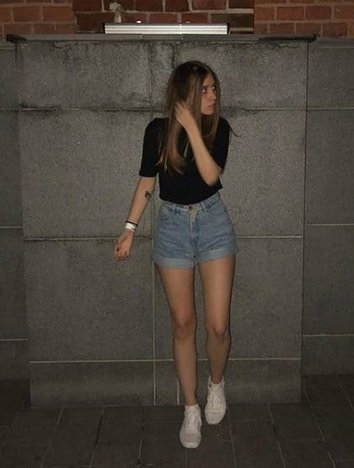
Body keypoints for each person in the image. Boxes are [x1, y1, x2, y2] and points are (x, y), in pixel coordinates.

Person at [113, 60, 239, 449]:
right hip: (172, 227)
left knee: (218, 326)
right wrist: (129, 229)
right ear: (186, 93)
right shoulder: (156, 131)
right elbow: (146, 180)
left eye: (214, 89)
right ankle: (190, 408)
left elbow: (211, 176)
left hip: (213, 222)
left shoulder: (218, 128)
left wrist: (193, 129)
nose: (213, 95)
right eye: (205, 89)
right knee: (183, 324)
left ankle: (215, 384)